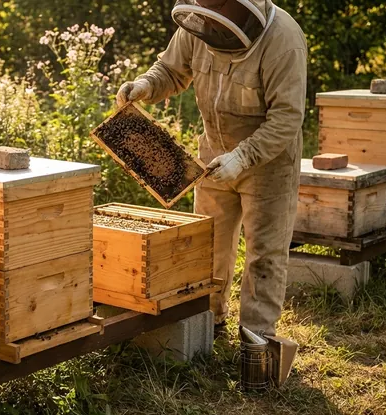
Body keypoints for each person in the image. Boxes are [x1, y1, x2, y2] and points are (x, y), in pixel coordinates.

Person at [116, 0, 307, 337]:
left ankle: (257, 338)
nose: (214, 33)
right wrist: (145, 85)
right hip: (213, 156)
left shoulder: (284, 41)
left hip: (268, 163)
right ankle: (209, 323)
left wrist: (243, 157)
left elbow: (286, 118)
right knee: (208, 245)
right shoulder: (199, 20)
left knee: (265, 254)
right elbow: (171, 70)